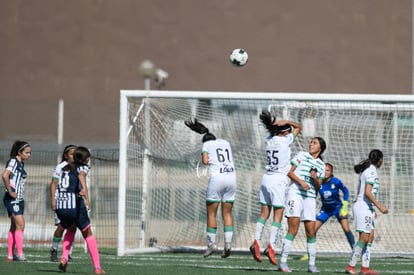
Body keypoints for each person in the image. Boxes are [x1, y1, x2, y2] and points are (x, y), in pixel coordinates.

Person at [249, 111, 302, 266]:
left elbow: (281, 131)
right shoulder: (286, 140)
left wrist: (276, 125)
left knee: (264, 214)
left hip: (266, 178)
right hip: (278, 180)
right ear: (285, 132)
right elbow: (299, 127)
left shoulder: (269, 140)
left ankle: (256, 242)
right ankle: (271, 246)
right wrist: (287, 121)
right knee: (277, 216)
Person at [185, 118, 237, 258]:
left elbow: (206, 161)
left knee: (211, 214)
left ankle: (211, 245)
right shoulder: (225, 142)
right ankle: (228, 244)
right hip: (232, 179)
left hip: (217, 179)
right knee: (227, 214)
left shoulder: (206, 144)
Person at [278, 137, 326, 273]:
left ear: (320, 148)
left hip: (310, 198)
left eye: (314, 143)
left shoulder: (322, 165)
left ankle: (311, 265)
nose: (311, 144)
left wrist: (315, 179)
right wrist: (301, 182)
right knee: (293, 229)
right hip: (295, 194)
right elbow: (289, 172)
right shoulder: (301, 155)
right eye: (311, 142)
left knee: (311, 232)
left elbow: (318, 187)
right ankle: (283, 262)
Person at [55, 146, 105, 274]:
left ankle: (64, 258)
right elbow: (82, 176)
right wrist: (86, 196)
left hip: (61, 206)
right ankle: (97, 267)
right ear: (86, 159)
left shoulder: (64, 167)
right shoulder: (82, 167)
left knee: (71, 229)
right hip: (75, 206)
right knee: (88, 234)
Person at [345, 149, 388, 275]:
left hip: (367, 208)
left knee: (370, 237)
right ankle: (351, 265)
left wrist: (372, 209)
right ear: (380, 160)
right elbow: (367, 193)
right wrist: (380, 207)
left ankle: (365, 268)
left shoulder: (370, 171)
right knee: (364, 237)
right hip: (362, 207)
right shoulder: (371, 172)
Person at [300, 163, 355, 261]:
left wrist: (345, 205)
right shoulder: (319, 183)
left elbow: (345, 191)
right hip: (326, 209)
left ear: (331, 172)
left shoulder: (336, 181)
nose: (326, 172)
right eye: (324, 170)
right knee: (312, 230)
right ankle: (309, 253)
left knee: (346, 229)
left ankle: (355, 252)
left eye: (328, 170)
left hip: (338, 208)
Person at [2, 140, 31, 262]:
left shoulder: (21, 163)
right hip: (13, 198)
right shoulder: (13, 161)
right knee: (21, 224)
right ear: (19, 152)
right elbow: (5, 175)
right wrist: (10, 191)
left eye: (30, 153)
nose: (29, 155)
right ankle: (20, 254)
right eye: (27, 152)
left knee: (14, 226)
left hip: (19, 199)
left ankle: (10, 255)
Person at [49, 144, 77, 262]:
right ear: (66, 156)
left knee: (72, 227)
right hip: (60, 202)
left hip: (73, 203)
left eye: (75, 154)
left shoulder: (78, 167)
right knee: (61, 227)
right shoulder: (60, 167)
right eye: (71, 154)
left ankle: (67, 253)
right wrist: (53, 200)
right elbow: (53, 184)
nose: (74, 156)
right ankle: (54, 249)